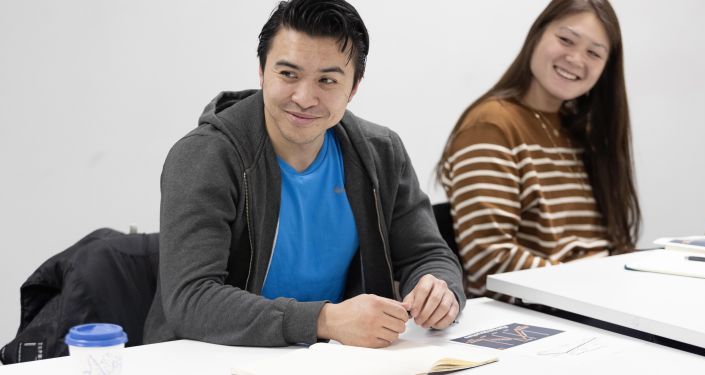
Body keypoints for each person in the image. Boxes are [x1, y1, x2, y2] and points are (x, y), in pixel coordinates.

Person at [143, 0, 465, 348]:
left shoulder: (381, 152)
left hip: (332, 359)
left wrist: (439, 288)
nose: (304, 97)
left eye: (327, 80)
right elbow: (191, 299)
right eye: (288, 74)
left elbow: (427, 255)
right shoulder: (206, 156)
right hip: (213, 355)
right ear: (262, 72)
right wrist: (324, 320)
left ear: (354, 88)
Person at [437, 0, 640, 298]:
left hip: (598, 301)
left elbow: (613, 245)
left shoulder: (582, 130)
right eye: (566, 39)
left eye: (594, 53)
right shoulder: (492, 124)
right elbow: (488, 260)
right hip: (551, 313)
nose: (576, 59)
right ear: (537, 35)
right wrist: (591, 292)